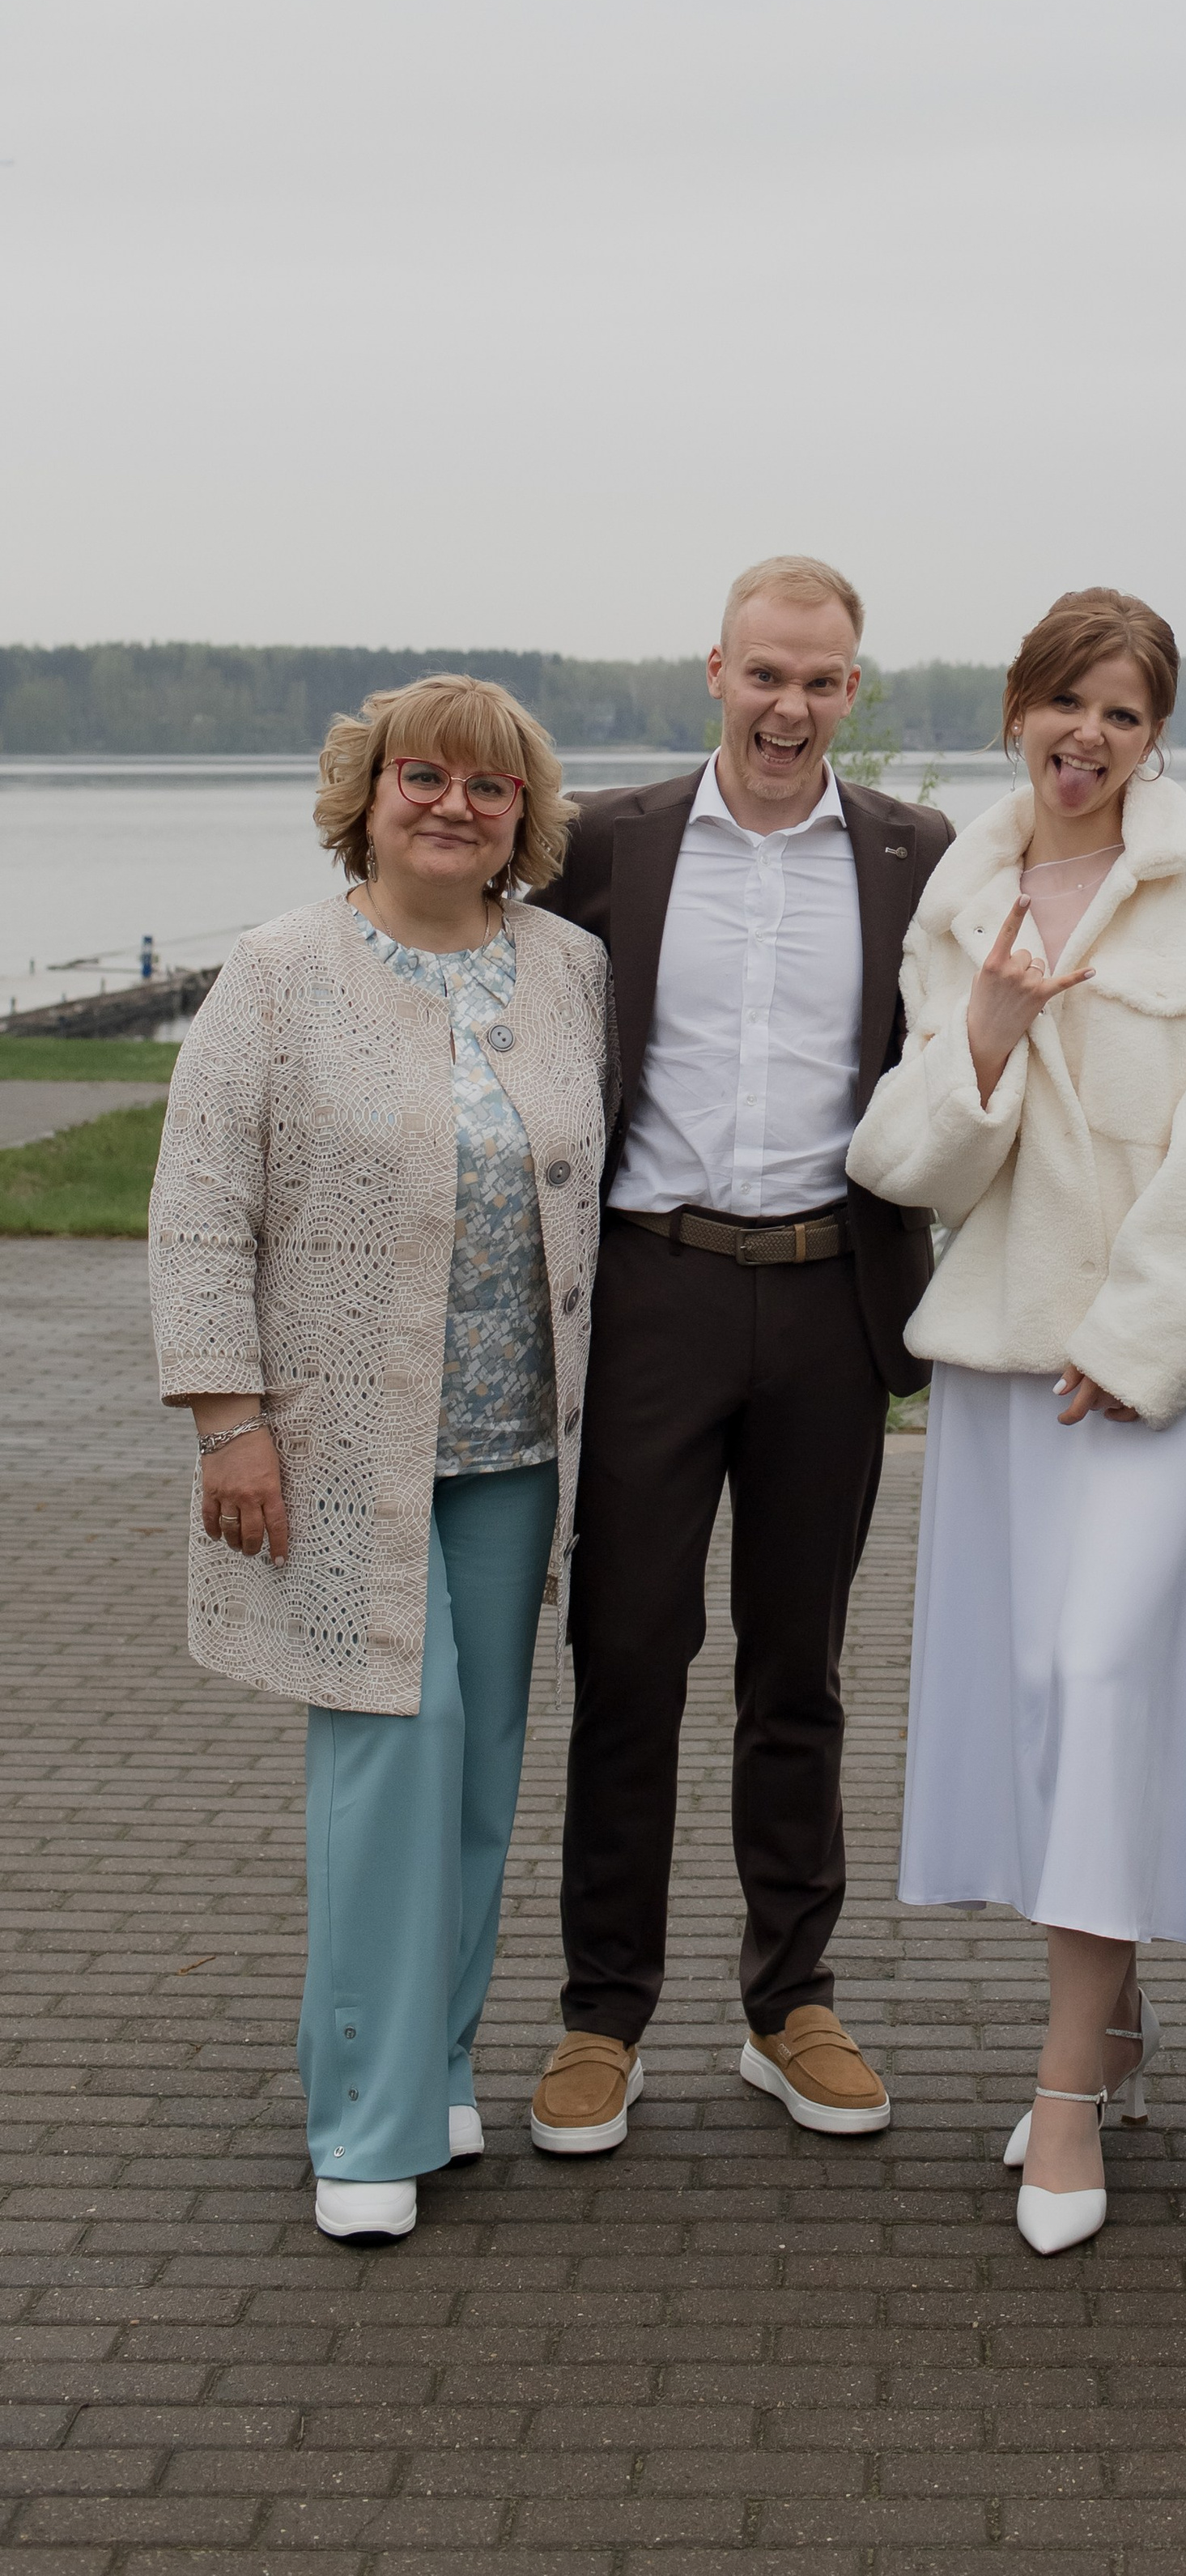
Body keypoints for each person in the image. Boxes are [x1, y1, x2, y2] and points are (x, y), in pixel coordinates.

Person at [847, 589, 1186, 2256]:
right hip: (1003, 1371)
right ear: (1014, 710)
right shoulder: (964, 887)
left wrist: (1143, 1336)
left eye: (1121, 711)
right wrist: (993, 1022)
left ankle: (1058, 2092)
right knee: (1037, 1694)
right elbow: (912, 1160)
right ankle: (1102, 2024)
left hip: (1161, 1371)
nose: (1086, 737)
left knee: (1107, 1670)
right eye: (1062, 703)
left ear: (1154, 731)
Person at [149, 675, 612, 2244]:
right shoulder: (280, 975)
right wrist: (230, 1415)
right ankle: (361, 2121)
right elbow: (201, 1201)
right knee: (384, 1762)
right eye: (424, 778)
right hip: (343, 1446)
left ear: (521, 820)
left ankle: (438, 2065)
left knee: (483, 1770)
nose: (454, 809)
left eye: (489, 790)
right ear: (368, 794)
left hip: (512, 1442)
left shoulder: (569, 970)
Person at [524, 556, 954, 2156]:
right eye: (764, 675)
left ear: (854, 693)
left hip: (831, 1301)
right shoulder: (605, 845)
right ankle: (600, 2014)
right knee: (628, 1660)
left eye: (821, 681)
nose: (789, 706)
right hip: (651, 1293)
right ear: (715, 671)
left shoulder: (916, 855)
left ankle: (791, 2003)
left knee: (799, 1672)